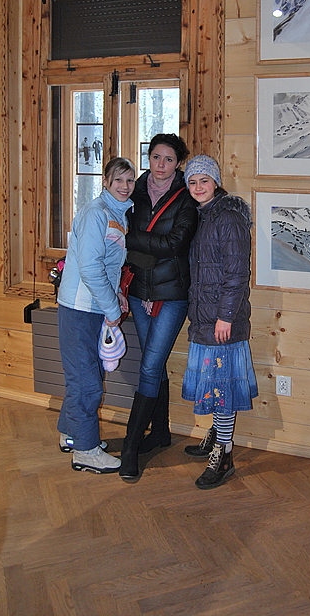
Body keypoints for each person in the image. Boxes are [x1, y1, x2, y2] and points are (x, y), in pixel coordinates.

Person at [119, 134, 198, 482]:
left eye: (168, 159)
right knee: (156, 362)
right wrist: (142, 248)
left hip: (172, 294)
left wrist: (132, 241)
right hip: (139, 291)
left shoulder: (186, 196)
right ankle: (161, 432)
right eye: (155, 157)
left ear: (178, 163)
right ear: (148, 158)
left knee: (149, 366)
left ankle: (130, 448)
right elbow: (118, 234)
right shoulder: (133, 191)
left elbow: (175, 244)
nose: (161, 164)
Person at [181, 155, 258, 490]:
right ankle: (216, 435)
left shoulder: (227, 217)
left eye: (204, 180)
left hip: (221, 321)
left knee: (221, 388)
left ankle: (224, 455)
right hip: (204, 318)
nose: (198, 187)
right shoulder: (201, 216)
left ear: (216, 182)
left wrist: (225, 316)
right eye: (192, 182)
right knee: (215, 382)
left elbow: (237, 273)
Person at [56, 157, 135, 473]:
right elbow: (89, 268)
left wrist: (116, 295)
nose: (125, 186)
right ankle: (85, 451)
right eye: (119, 179)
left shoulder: (117, 215)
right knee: (86, 381)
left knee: (84, 375)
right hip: (80, 308)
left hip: (92, 307)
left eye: (130, 180)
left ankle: (71, 434)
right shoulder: (96, 213)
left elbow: (106, 266)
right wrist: (112, 309)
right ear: (106, 181)